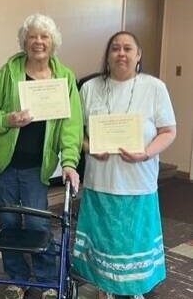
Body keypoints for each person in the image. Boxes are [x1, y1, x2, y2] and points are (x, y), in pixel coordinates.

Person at [0, 13, 83, 299]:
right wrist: (7, 119)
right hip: (4, 165)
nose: (38, 41)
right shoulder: (8, 73)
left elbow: (71, 128)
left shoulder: (64, 78)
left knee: (37, 224)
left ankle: (48, 281)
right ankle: (17, 280)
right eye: (33, 36)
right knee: (9, 224)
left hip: (37, 167)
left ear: (53, 43)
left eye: (44, 36)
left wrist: (70, 162)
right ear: (24, 41)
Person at [72, 31, 176, 299]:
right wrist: (91, 147)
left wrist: (146, 153)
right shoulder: (89, 88)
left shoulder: (154, 88)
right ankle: (104, 288)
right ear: (107, 56)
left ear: (138, 55)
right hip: (100, 182)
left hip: (138, 183)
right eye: (115, 48)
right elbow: (75, 134)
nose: (121, 53)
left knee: (133, 244)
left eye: (128, 48)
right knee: (105, 242)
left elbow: (168, 131)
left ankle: (135, 290)